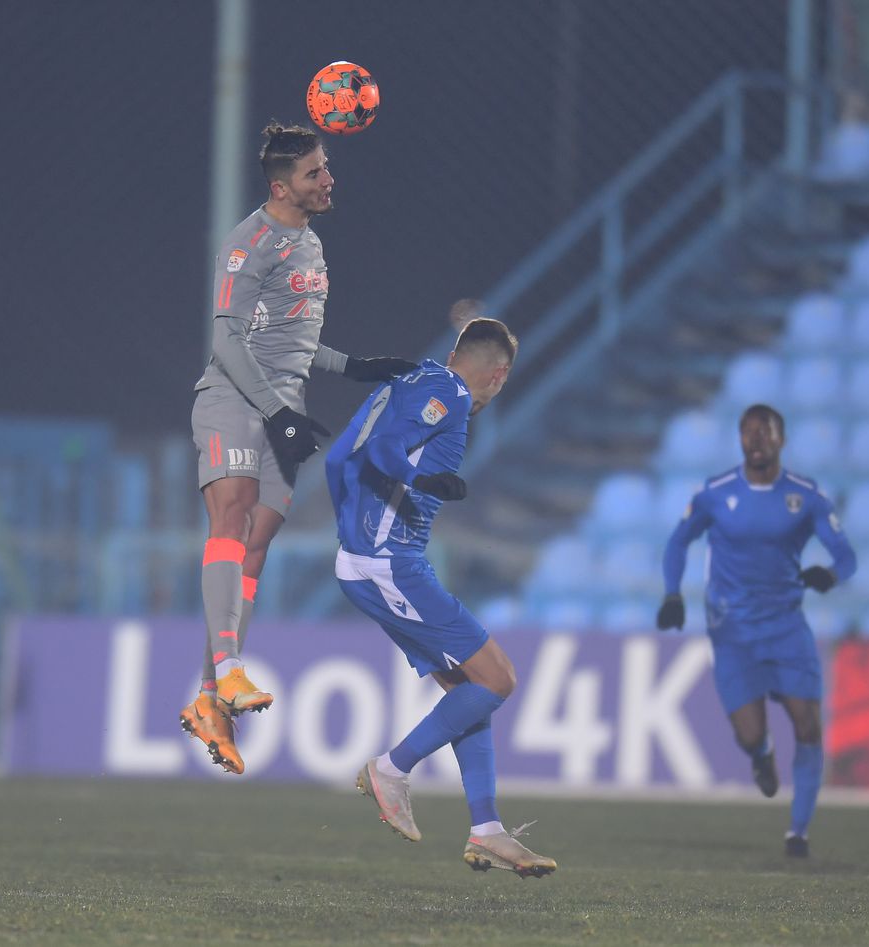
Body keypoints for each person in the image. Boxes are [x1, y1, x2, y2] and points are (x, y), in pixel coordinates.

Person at [180, 123, 416, 775]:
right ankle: (228, 666)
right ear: (283, 186)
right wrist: (276, 410)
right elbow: (228, 340)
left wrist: (355, 366)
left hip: (288, 408)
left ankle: (208, 697)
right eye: (316, 172)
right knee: (230, 516)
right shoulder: (247, 243)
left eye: (327, 166)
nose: (329, 178)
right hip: (234, 399)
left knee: (254, 547)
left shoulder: (309, 243)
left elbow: (292, 342)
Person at [324, 317, 556, 878]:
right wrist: (420, 483)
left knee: (471, 692)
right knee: (499, 679)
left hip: (382, 559)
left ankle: (488, 831)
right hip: (388, 563)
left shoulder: (413, 379)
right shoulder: (448, 394)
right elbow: (383, 448)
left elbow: (339, 457)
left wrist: (354, 523)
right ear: (498, 375)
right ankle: (391, 769)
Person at [656, 404, 856, 858]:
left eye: (764, 433)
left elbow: (846, 554)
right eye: (748, 433)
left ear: (781, 439)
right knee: (748, 734)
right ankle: (760, 753)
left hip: (786, 628)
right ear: (740, 439)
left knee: (808, 725)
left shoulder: (805, 496)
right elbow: (678, 540)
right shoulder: (716, 493)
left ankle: (798, 832)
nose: (756, 441)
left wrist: (830, 575)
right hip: (733, 634)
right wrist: (672, 594)